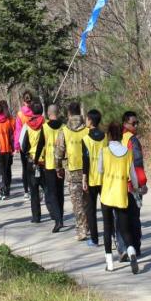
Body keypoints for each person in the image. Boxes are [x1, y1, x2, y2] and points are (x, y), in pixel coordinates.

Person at [95, 122, 140, 273]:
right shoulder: (128, 153)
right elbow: (133, 176)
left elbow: (99, 170)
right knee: (124, 228)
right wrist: (136, 189)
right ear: (121, 135)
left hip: (107, 195)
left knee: (108, 229)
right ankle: (132, 251)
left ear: (108, 135)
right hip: (121, 195)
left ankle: (110, 263)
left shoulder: (104, 151)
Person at [57, 102, 91, 242]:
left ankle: (81, 230)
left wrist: (58, 168)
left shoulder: (64, 131)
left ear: (69, 114)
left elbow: (59, 152)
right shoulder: (88, 130)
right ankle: (88, 225)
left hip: (72, 171)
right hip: (88, 172)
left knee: (77, 203)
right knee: (88, 202)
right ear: (80, 112)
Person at [118, 111, 147, 259]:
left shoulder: (116, 139)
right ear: (125, 123)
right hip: (132, 184)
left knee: (121, 217)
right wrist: (142, 183)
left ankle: (123, 248)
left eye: (137, 123)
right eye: (133, 123)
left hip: (118, 184)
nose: (136, 126)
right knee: (134, 217)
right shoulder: (132, 140)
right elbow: (137, 163)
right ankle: (135, 247)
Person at [82, 110, 107, 247]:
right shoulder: (105, 137)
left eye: (86, 119)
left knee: (91, 210)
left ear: (91, 121)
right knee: (106, 209)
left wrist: (84, 179)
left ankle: (94, 239)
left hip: (92, 178)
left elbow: (85, 160)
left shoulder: (86, 139)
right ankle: (112, 236)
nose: (85, 121)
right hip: (104, 178)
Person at [20, 101, 47, 224]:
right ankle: (54, 213)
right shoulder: (46, 124)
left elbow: (23, 144)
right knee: (48, 188)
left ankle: (36, 217)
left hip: (32, 160)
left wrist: (26, 153)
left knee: (34, 189)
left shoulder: (27, 125)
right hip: (46, 160)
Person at [15, 91, 39, 198]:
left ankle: (26, 191)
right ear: (31, 100)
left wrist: (17, 145)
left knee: (25, 168)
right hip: (35, 142)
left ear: (23, 101)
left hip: (23, 144)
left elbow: (18, 130)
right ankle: (36, 188)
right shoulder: (35, 112)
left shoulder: (20, 114)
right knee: (36, 166)